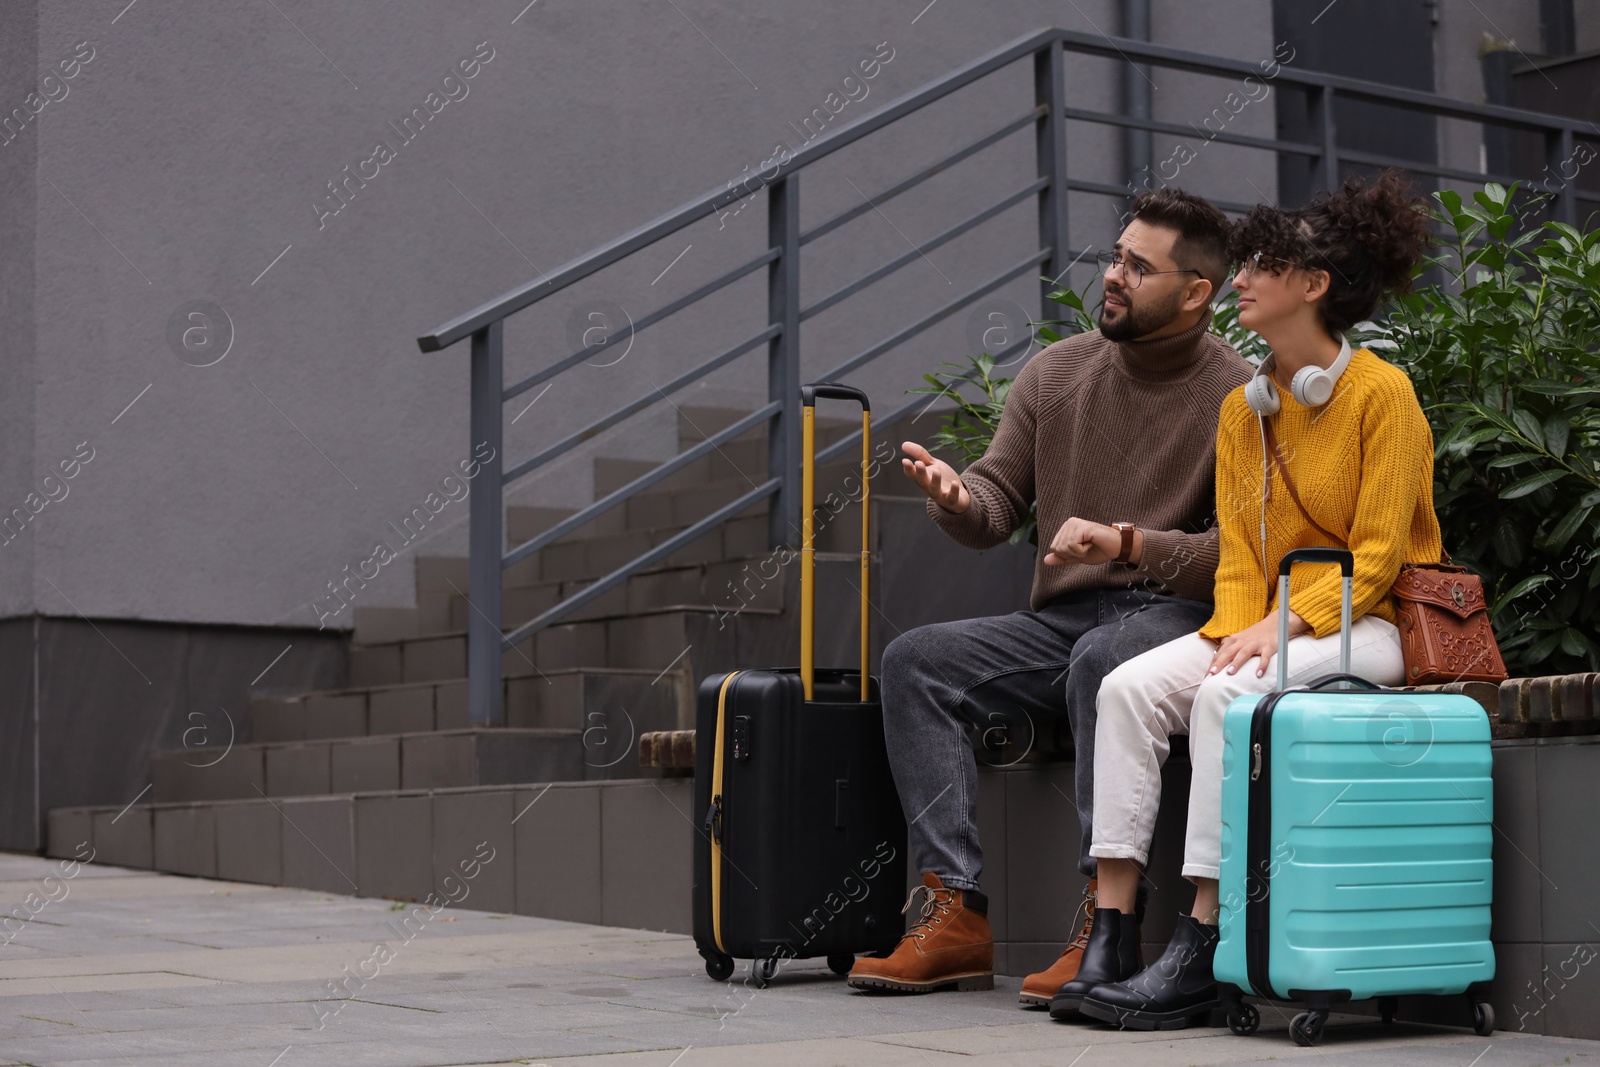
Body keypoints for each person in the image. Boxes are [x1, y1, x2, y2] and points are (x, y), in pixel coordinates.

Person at [1052, 170, 1440, 1029]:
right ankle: (1111, 931)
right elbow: (1239, 561)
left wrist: (1282, 622)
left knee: (1228, 697)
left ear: (1313, 286)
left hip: (1367, 624)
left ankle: (1202, 944)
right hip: (1269, 620)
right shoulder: (1245, 411)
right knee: (1127, 687)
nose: (1241, 280)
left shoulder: (1384, 396)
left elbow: (1377, 560)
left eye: (1262, 266)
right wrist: (1237, 628)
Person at [845, 188, 1253, 999]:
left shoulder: (1237, 394)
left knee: (1106, 660)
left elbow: (1239, 557)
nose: (1114, 276)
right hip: (1060, 619)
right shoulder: (1057, 372)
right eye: (1116, 256)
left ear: (1198, 290)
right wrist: (959, 500)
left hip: (1168, 618)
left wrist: (1132, 542)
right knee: (916, 659)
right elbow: (997, 501)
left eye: (1140, 266)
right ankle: (953, 912)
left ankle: (1107, 921)